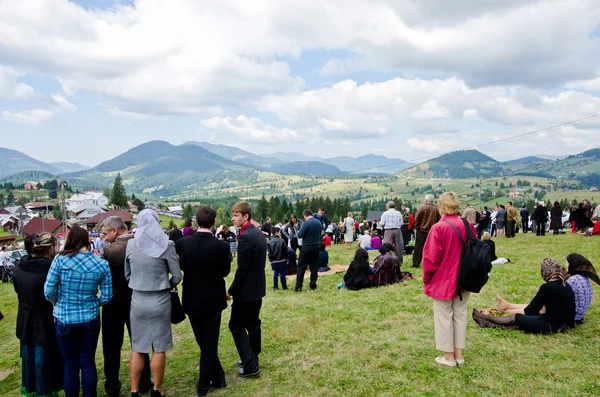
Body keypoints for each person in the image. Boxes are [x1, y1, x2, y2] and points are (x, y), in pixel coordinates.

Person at [44, 225, 113, 397]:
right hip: (89, 318)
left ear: (70, 240)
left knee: (70, 364)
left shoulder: (60, 260)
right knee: (87, 361)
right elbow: (107, 296)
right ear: (87, 241)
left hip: (64, 317)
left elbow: (48, 291)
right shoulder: (101, 264)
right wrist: (94, 303)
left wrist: (56, 303)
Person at [125, 209, 182, 397]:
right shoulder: (168, 244)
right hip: (160, 299)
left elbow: (127, 274)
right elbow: (177, 275)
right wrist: (166, 285)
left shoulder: (131, 244)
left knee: (138, 348)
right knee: (159, 347)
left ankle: (134, 391)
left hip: (138, 299)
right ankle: (157, 391)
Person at [175, 206, 231, 396]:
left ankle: (218, 377)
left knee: (204, 341)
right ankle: (204, 384)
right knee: (209, 343)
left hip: (192, 298)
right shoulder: (221, 246)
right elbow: (225, 272)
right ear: (214, 221)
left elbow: (182, 266)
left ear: (197, 222)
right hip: (213, 299)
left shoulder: (183, 244)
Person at [422, 192, 477, 367]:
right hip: (465, 278)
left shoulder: (439, 228)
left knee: (444, 316)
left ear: (441, 206)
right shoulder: (468, 225)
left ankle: (448, 356)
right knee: (460, 315)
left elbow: (430, 258)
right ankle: (459, 354)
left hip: (444, 279)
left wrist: (427, 278)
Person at [101, 216, 152, 397]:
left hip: (113, 302)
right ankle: (145, 379)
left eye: (105, 233)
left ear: (115, 230)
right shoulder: (141, 245)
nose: (103, 237)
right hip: (137, 299)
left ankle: (112, 385)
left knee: (111, 346)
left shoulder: (109, 250)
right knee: (140, 342)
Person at [13, 233, 63, 397]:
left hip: (26, 317)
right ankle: (45, 390)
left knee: (30, 357)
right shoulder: (50, 269)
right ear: (49, 248)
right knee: (44, 359)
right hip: (45, 318)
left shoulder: (20, 266)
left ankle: (32, 387)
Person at [475, 259, 575, 334]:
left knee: (517, 318)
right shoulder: (566, 285)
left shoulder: (547, 287)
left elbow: (531, 310)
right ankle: (488, 323)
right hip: (564, 324)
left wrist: (537, 311)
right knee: (522, 323)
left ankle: (487, 319)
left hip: (551, 325)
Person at [227, 201, 266, 378]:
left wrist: (231, 290)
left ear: (246, 216)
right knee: (253, 323)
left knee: (236, 325)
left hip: (246, 290)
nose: (233, 219)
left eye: (236, 215)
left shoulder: (244, 236)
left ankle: (250, 365)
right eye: (233, 215)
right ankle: (253, 357)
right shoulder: (258, 233)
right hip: (257, 288)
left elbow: (242, 270)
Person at [565, 253, 600, 323]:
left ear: (573, 265)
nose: (566, 266)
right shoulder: (585, 278)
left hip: (572, 318)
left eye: (567, 264)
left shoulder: (573, 280)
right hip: (579, 316)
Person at [296, 209, 324, 291]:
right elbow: (320, 233)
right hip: (316, 246)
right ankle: (313, 285)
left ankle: (298, 287)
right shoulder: (318, 222)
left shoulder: (306, 223)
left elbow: (300, 235)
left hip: (307, 247)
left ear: (305, 216)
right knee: (314, 267)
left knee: (301, 267)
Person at [413, 194, 441, 268]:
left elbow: (416, 219)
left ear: (426, 200)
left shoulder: (421, 208)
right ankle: (431, 264)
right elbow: (439, 220)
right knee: (432, 249)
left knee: (419, 248)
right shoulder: (436, 209)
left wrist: (417, 228)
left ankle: (416, 263)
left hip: (421, 231)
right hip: (433, 231)